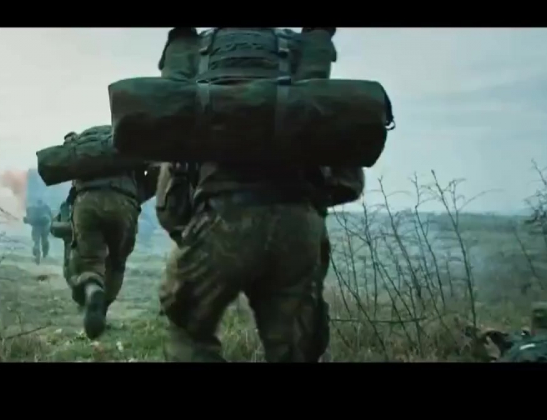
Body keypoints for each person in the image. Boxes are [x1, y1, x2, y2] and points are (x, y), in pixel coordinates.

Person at [157, 27, 337, 362]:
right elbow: (344, 179)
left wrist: (185, 231)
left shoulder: (199, 52)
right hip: (298, 223)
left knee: (188, 331)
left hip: (222, 219)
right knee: (298, 350)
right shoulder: (297, 50)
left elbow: (171, 197)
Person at [67, 138, 159, 339]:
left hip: (87, 202)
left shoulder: (84, 149)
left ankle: (93, 288)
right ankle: (103, 307)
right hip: (123, 202)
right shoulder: (134, 146)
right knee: (117, 262)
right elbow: (157, 172)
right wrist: (135, 195)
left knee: (89, 261)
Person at [24, 199, 54, 264]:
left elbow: (28, 217)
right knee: (44, 240)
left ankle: (38, 253)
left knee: (36, 242)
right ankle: (44, 254)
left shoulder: (32, 208)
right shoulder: (46, 207)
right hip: (45, 225)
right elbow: (51, 216)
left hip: (36, 225)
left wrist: (28, 219)